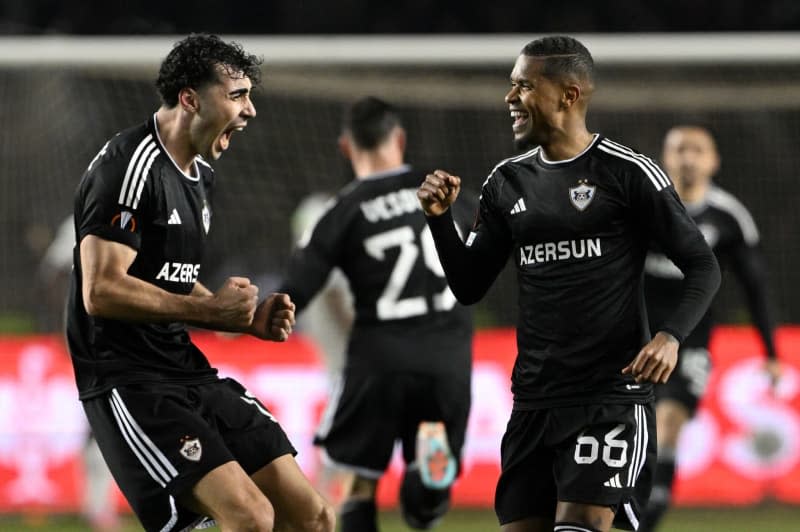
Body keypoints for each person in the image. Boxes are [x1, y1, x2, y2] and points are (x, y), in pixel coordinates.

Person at [417, 36, 721, 532]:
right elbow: (469, 285)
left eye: (523, 86)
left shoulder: (628, 173)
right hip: (534, 402)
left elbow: (703, 266)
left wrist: (670, 337)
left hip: (609, 398)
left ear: (568, 95)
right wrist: (439, 220)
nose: (510, 99)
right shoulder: (505, 183)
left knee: (580, 524)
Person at [65, 33, 335, 532]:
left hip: (187, 370)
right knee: (250, 516)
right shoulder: (128, 166)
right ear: (190, 98)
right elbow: (100, 290)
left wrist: (246, 319)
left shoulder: (199, 177)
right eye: (237, 95)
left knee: (314, 516)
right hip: (129, 380)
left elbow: (174, 281)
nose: (250, 110)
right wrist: (211, 313)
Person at [278, 96, 475, 532]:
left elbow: (296, 290)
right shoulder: (448, 192)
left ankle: (414, 475)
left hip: (378, 360)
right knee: (424, 511)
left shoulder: (341, 211)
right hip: (448, 355)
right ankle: (427, 472)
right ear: (399, 139)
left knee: (356, 480)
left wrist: (254, 317)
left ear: (347, 148)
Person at [638, 125, 782, 531]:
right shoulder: (645, 207)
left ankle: (651, 512)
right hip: (634, 336)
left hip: (690, 339)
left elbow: (756, 287)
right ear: (666, 158)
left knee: (668, 421)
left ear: (714, 160)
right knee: (636, 429)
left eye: (697, 150)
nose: (688, 158)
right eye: (679, 150)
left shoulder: (729, 216)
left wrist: (771, 352)